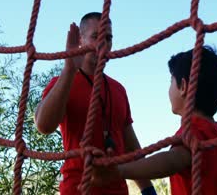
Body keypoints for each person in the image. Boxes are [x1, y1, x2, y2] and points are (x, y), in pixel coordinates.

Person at [35, 12, 155, 195]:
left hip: (118, 190)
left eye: (108, 38)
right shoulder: (62, 82)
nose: (103, 43)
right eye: (95, 36)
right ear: (80, 40)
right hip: (77, 189)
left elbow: (131, 146)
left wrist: (148, 189)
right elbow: (43, 125)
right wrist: (69, 69)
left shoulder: (118, 89)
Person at [91, 46, 217, 195]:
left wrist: (120, 171)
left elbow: (172, 160)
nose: (169, 88)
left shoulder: (194, 131)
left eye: (171, 81)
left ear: (183, 87)